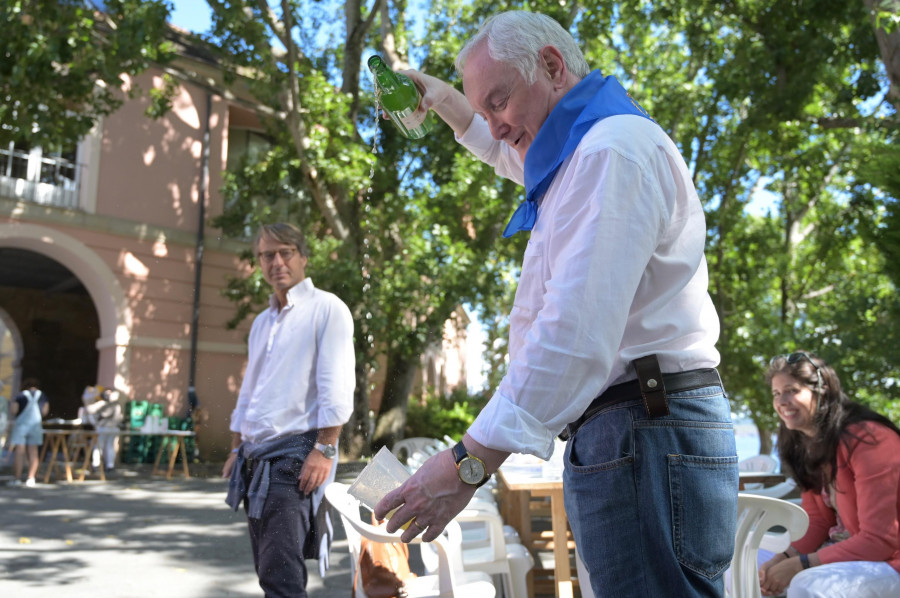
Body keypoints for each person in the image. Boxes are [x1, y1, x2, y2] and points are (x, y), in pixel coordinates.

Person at [374, 10, 738, 598]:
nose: (493, 126)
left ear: (551, 66)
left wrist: (470, 461)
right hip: (639, 428)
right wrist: (442, 97)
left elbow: (572, 336)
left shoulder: (606, 153)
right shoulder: (583, 148)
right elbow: (501, 151)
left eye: (499, 102)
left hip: (643, 429)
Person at [222, 222, 355, 598]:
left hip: (295, 455)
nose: (276, 262)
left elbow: (337, 384)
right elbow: (250, 390)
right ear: (259, 262)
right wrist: (236, 446)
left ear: (303, 257)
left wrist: (325, 450)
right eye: (267, 255)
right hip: (255, 457)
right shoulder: (262, 322)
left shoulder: (327, 308)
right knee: (268, 569)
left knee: (281, 574)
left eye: (285, 252)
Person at [759, 352, 900, 597]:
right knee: (747, 562)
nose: (781, 400)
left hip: (889, 560)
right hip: (845, 550)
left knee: (808, 584)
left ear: (822, 391)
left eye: (792, 390)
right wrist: (783, 558)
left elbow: (881, 540)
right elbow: (819, 522)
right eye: (776, 393)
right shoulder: (809, 446)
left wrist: (800, 564)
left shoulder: (869, 439)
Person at [8, 378, 49, 487]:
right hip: (35, 426)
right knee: (33, 452)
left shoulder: (21, 395)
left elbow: (14, 410)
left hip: (21, 425)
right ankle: (31, 478)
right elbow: (45, 411)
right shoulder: (42, 395)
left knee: (19, 451)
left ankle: (17, 478)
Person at [82, 386, 123, 473]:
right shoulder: (115, 405)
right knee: (109, 446)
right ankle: (109, 465)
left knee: (99, 447)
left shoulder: (108, 404)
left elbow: (94, 412)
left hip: (104, 428)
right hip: (111, 429)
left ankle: (97, 465)